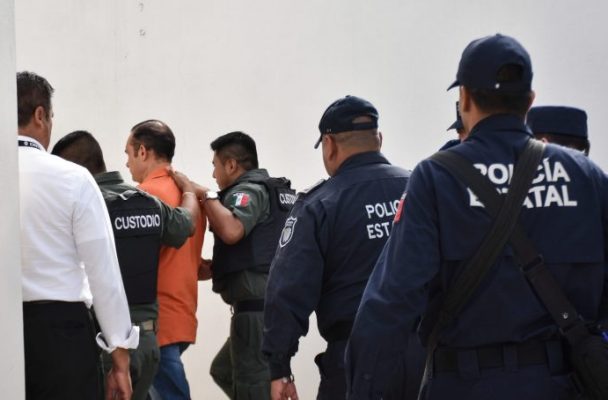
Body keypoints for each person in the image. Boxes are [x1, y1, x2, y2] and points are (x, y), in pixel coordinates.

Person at [346, 34, 608, 400]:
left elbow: (390, 304)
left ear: (465, 99)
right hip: (565, 385)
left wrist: (365, 389)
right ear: (529, 101)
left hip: (464, 384)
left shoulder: (436, 178)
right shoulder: (586, 176)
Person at [262, 95, 411, 400]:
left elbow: (288, 289)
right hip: (426, 358)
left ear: (329, 145)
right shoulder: (418, 187)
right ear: (379, 139)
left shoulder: (320, 204)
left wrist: (279, 366)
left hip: (356, 359)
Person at [51, 130, 200, 400]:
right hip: (148, 344)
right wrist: (189, 190)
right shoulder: (147, 202)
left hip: (108, 347)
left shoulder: (87, 208)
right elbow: (186, 224)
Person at [17, 71, 139, 400]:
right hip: (61, 335)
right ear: (39, 115)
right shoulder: (73, 179)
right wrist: (120, 357)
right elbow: (103, 272)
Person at [171, 131, 296, 399]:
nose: (214, 175)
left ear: (231, 165)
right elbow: (252, 255)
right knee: (224, 370)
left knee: (252, 387)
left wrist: (202, 194)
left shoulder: (248, 190)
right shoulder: (269, 191)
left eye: (215, 166)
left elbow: (231, 230)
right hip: (262, 310)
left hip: (255, 315)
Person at [125, 119, 206, 400]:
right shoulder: (192, 198)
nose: (126, 163)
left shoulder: (143, 198)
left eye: (128, 153)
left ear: (143, 152)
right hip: (183, 316)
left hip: (155, 323)